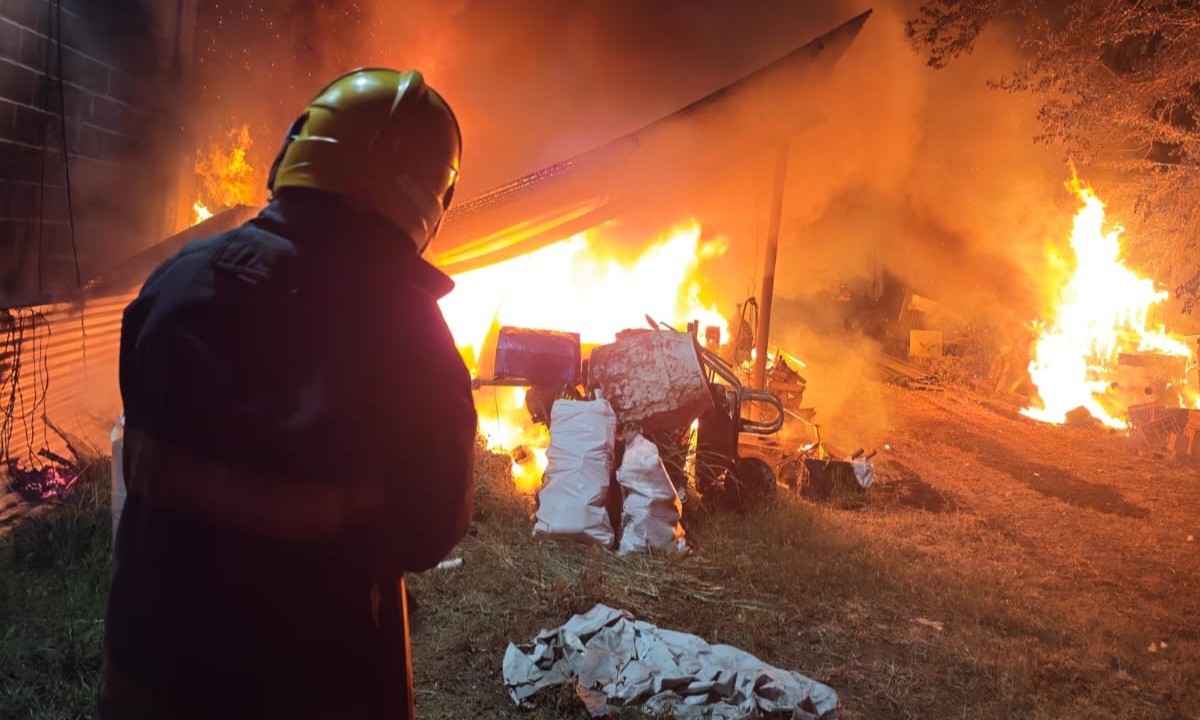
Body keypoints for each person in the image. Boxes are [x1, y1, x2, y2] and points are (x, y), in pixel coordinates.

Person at [99, 68, 476, 720]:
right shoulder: (410, 332)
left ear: (297, 147)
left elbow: (142, 461)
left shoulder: (175, 281)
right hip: (305, 690)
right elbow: (428, 533)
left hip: (149, 673)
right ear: (430, 199)